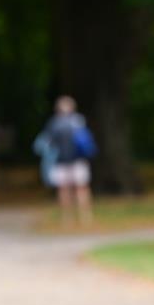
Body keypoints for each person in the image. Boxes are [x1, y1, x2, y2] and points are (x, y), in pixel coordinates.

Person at [42, 95, 94, 225]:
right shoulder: (78, 120)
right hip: (78, 160)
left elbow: (48, 143)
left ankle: (67, 218)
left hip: (61, 161)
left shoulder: (54, 123)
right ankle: (85, 217)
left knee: (64, 189)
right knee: (81, 188)